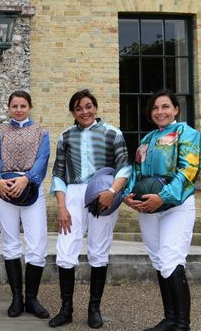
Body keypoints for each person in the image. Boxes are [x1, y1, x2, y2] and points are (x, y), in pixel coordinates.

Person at [123, 89, 201, 331]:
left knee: (171, 259)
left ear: (176, 109)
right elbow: (136, 171)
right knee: (159, 260)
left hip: (175, 206)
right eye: (156, 108)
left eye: (165, 106)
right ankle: (170, 319)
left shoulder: (188, 134)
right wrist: (128, 195)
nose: (160, 112)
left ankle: (182, 325)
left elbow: (188, 171)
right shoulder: (146, 139)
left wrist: (163, 197)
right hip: (148, 208)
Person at [49, 89, 131, 328]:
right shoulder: (65, 136)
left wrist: (112, 192)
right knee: (65, 248)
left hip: (103, 193)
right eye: (78, 108)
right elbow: (58, 174)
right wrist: (62, 207)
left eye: (88, 106)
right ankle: (66, 309)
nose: (84, 111)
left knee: (98, 248)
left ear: (95, 107)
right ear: (73, 112)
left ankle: (94, 309)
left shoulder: (113, 133)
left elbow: (125, 168)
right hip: (73, 195)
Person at [0, 90, 51, 319]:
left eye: (23, 105)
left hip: (31, 189)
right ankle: (16, 298)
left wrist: (27, 179)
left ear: (29, 107)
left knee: (36, 245)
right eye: (15, 105)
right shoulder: (0, 132)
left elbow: (42, 160)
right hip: (5, 190)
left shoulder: (41, 132)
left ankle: (32, 299)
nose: (19, 109)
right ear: (9, 107)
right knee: (11, 243)